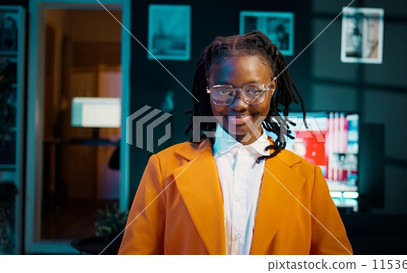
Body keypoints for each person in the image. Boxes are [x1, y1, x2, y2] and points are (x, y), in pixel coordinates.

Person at [118, 31, 352, 255]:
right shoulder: (163, 168)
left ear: (272, 89)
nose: (239, 104)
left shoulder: (307, 178)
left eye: (253, 90)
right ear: (207, 89)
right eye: (223, 90)